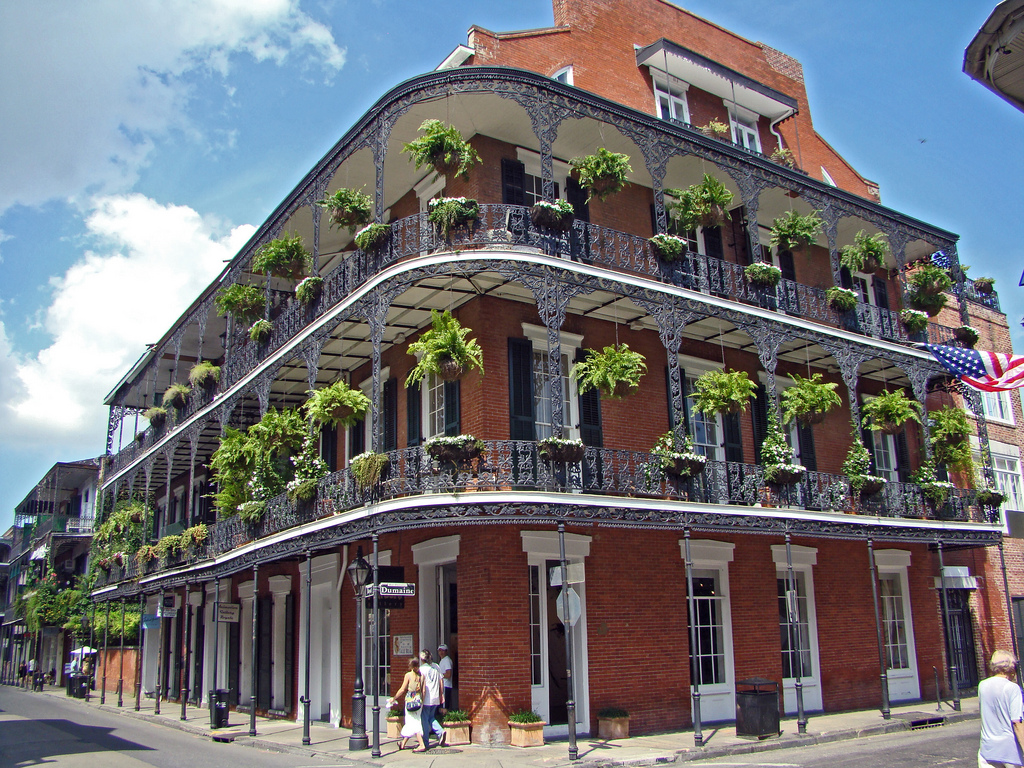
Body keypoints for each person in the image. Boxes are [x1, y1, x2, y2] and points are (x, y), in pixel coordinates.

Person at [979, 649, 1024, 768]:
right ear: (1010, 668)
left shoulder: (982, 685)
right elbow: (1017, 723)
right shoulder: (1013, 688)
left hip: (987, 748)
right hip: (1009, 750)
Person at [391, 658, 425, 752]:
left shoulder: (408, 675)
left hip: (410, 700)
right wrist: (422, 701)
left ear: (411, 667)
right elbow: (424, 691)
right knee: (414, 721)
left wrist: (394, 698)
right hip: (418, 701)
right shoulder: (422, 676)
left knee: (413, 722)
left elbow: (402, 689)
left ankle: (421, 744)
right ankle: (403, 743)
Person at [415, 650, 444, 751]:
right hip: (436, 696)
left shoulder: (422, 670)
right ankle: (440, 731)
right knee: (431, 717)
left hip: (426, 698)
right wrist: (441, 694)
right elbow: (441, 681)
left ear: (422, 659)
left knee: (425, 720)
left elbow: (421, 685)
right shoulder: (436, 667)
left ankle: (425, 742)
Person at [437, 644, 456, 711]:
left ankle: (444, 719)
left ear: (446, 651)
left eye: (443, 651)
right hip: (443, 685)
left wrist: (439, 675)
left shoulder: (447, 660)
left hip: (446, 685)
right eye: (440, 651)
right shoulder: (442, 660)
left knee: (444, 706)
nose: (441, 652)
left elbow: (448, 674)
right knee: (442, 705)